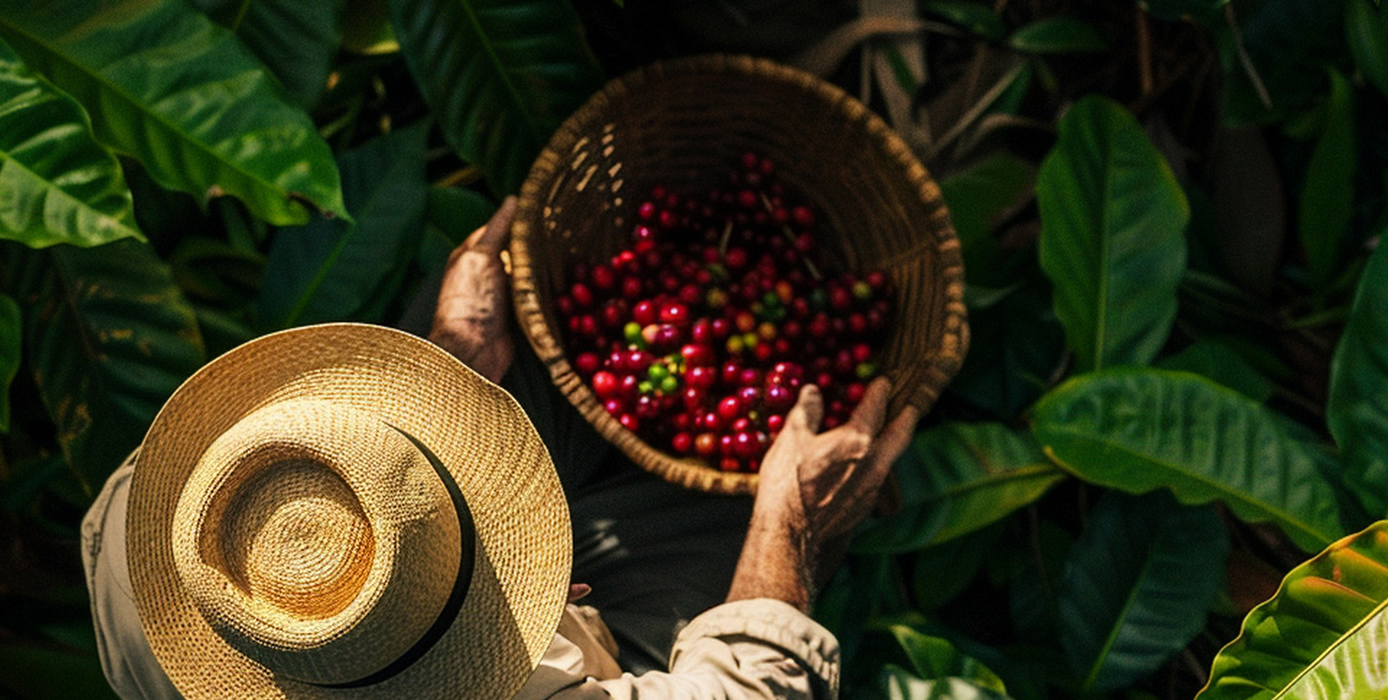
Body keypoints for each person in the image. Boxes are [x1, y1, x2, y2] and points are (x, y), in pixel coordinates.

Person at [81, 198, 921, 699]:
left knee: (509, 349)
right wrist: (785, 528)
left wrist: (449, 353)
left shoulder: (163, 520)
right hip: (561, 662)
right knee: (737, 520)